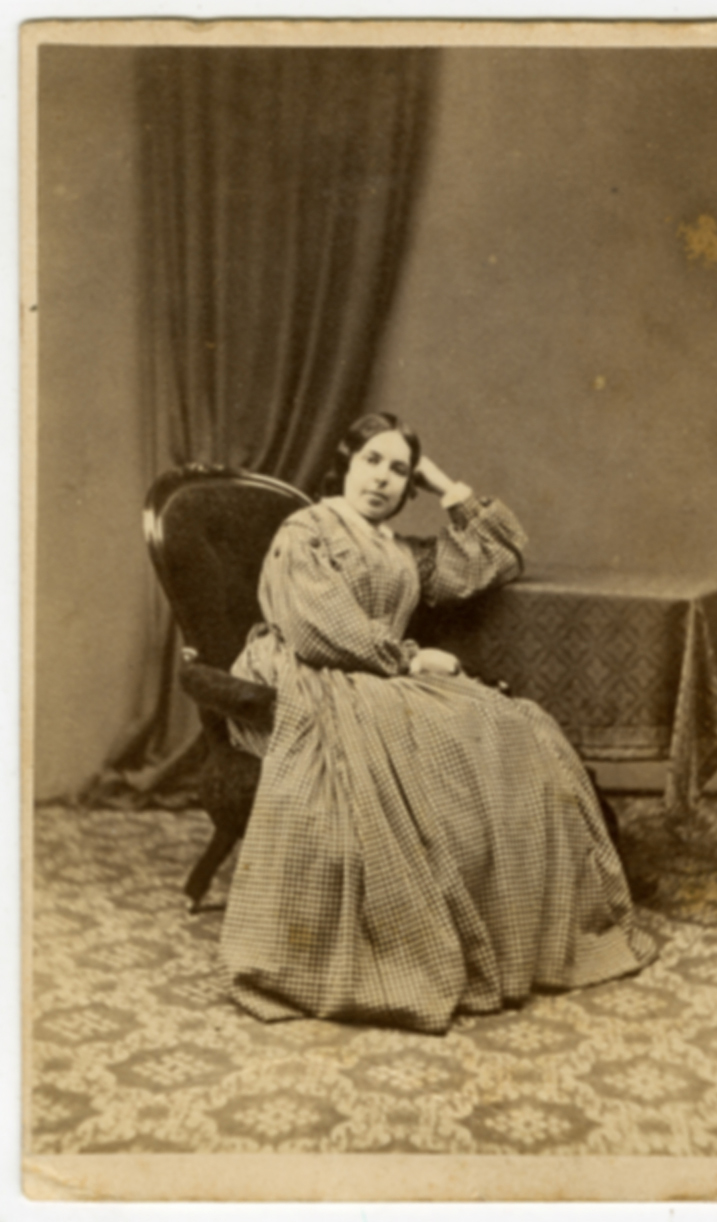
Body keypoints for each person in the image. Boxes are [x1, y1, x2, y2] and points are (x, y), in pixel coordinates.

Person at [221, 413, 656, 1034]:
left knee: (513, 725)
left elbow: (499, 556)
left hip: (378, 675)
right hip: (318, 672)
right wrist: (409, 659)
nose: (382, 479)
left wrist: (444, 484)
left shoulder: (401, 552)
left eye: (399, 471)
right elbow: (317, 627)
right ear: (345, 465)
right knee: (440, 743)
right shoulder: (308, 529)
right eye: (371, 461)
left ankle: (514, 927)